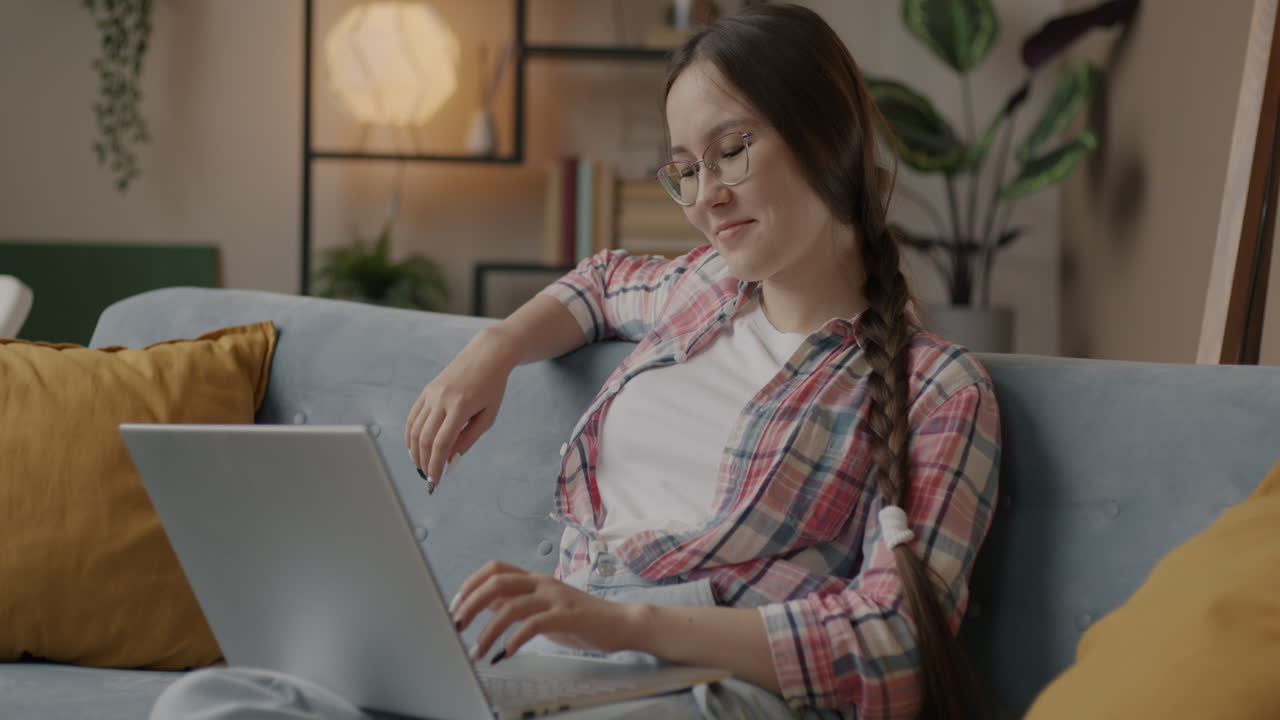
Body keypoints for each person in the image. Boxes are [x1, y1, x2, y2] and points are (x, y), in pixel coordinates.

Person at [151, 4, 999, 719]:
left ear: (830, 136)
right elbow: (598, 284)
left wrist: (625, 625)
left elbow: (896, 648)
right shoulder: (699, 290)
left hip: (701, 684)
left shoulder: (937, 388)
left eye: (732, 150)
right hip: (556, 658)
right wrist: (495, 348)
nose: (706, 197)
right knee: (213, 700)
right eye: (685, 169)